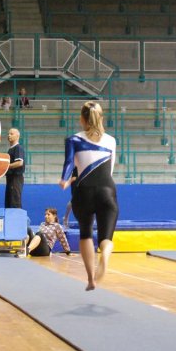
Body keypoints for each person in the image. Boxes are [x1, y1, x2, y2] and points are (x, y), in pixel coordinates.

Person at [59, 101, 118, 291]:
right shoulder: (111, 140)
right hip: (107, 191)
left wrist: (64, 178)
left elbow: (69, 162)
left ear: (82, 119)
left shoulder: (73, 140)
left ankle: (91, 278)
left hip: (83, 193)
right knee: (106, 237)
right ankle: (106, 253)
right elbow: (111, 170)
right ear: (101, 118)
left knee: (85, 233)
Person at [5, 128, 25, 209]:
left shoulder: (18, 148)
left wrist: (6, 166)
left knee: (15, 201)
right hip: (10, 179)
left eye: (11, 134)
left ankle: (16, 220)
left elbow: (20, 163)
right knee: (9, 202)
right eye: (8, 134)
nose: (9, 135)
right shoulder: (10, 149)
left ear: (17, 136)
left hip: (16, 178)